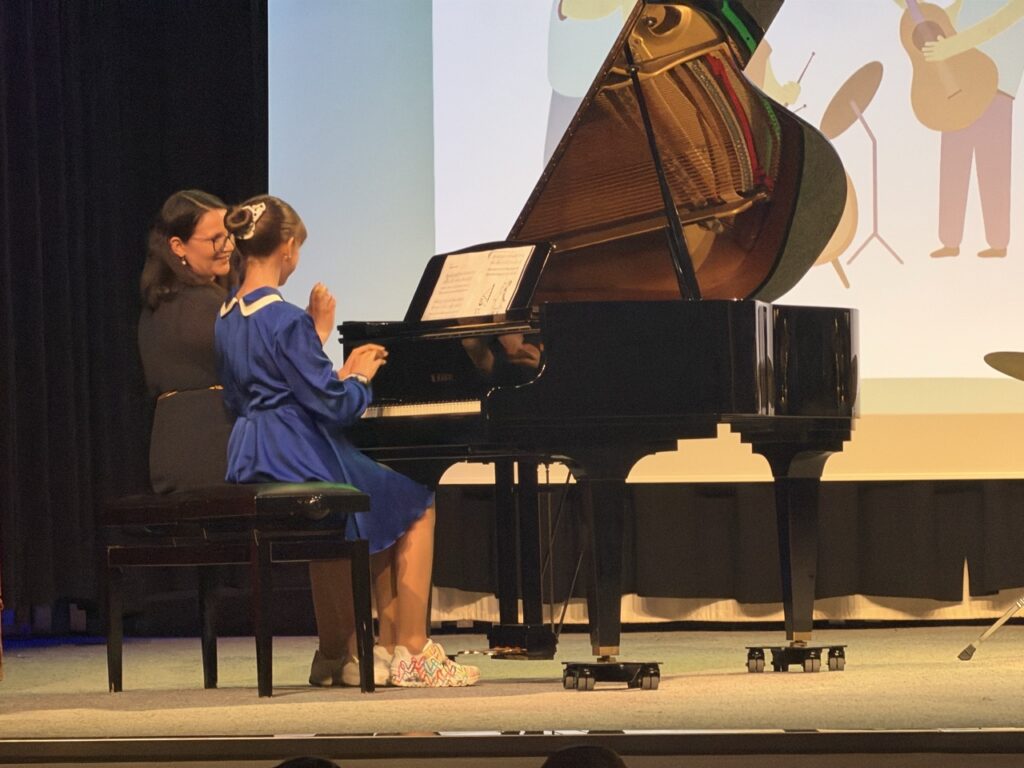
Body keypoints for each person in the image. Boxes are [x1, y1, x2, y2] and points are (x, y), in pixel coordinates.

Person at [215, 194, 480, 688]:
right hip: (299, 454)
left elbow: (256, 391)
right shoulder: (284, 318)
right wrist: (357, 376)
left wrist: (317, 346)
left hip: (253, 452)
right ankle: (412, 649)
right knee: (414, 501)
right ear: (287, 246)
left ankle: (339, 652)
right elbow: (336, 406)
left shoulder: (228, 314)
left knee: (356, 512)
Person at [138, 189, 238, 493]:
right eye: (215, 239)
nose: (227, 247)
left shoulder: (155, 305)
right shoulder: (211, 306)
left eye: (229, 236)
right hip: (216, 449)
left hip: (170, 451)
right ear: (178, 246)